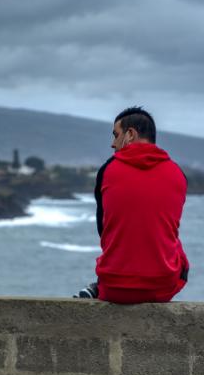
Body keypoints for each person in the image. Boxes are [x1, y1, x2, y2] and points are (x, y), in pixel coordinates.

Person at [77, 106, 190, 303]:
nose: (112, 144)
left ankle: (97, 287)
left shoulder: (107, 170)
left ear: (130, 134)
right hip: (161, 289)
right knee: (172, 238)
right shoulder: (177, 174)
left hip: (113, 288)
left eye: (115, 135)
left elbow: (102, 230)